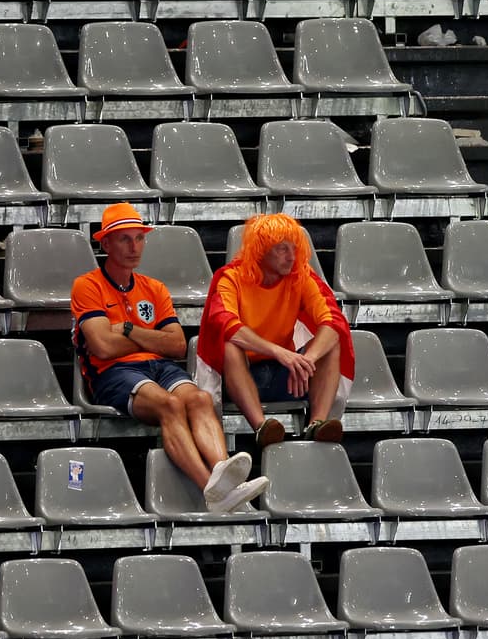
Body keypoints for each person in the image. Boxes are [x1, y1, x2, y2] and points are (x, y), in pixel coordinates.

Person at [72, 203, 267, 513]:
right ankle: (211, 490)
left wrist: (127, 329)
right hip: (112, 373)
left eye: (139, 238)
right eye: (124, 239)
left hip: (159, 367)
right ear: (105, 243)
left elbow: (176, 346)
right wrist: (150, 339)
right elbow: (103, 349)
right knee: (171, 404)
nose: (134, 247)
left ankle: (226, 482)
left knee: (201, 399)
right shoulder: (87, 285)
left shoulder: (155, 288)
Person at [195, 213, 355, 447]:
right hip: (241, 377)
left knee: (331, 343)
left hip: (290, 374)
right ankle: (261, 427)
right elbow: (226, 324)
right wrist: (280, 352)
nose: (292, 257)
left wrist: (307, 360)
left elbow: (333, 321)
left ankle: (317, 424)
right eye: (282, 249)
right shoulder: (230, 277)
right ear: (260, 250)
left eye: (294, 248)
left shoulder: (301, 275)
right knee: (230, 346)